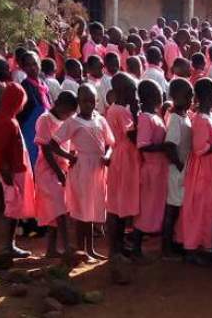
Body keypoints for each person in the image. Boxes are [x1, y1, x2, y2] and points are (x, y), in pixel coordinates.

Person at [53, 84, 114, 262]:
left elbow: (110, 142)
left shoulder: (100, 119)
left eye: (92, 101)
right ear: (79, 102)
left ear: (96, 101)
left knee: (93, 208)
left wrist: (107, 156)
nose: (89, 104)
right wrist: (69, 157)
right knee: (83, 211)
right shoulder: (73, 122)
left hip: (98, 168)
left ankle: (91, 249)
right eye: (85, 101)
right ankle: (82, 250)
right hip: (83, 169)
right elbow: (53, 143)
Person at [179, 78, 212, 266]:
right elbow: (200, 148)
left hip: (209, 169)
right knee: (198, 208)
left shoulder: (209, 115)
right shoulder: (200, 118)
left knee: (206, 209)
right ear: (204, 97)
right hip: (201, 170)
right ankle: (191, 249)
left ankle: (202, 245)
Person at [0, 82, 35, 257]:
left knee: (12, 207)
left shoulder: (0, 117)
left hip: (10, 169)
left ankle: (9, 245)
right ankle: (8, 246)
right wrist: (4, 171)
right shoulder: (8, 122)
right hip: (12, 170)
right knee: (13, 208)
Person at [34, 90, 78, 257]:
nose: (68, 115)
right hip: (48, 169)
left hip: (62, 167)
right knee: (59, 207)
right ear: (59, 104)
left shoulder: (64, 121)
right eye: (67, 111)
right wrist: (59, 170)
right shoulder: (45, 119)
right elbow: (46, 148)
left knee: (57, 208)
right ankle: (67, 247)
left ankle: (51, 249)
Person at [132, 79, 170, 256]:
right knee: (147, 208)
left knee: (155, 206)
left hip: (160, 169)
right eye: (158, 94)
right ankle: (136, 247)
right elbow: (143, 144)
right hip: (152, 169)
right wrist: (163, 147)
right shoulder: (146, 118)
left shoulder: (155, 115)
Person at [105, 73, 140, 258]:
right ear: (122, 91)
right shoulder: (123, 111)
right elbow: (134, 136)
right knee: (119, 204)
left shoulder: (112, 109)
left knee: (118, 203)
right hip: (125, 157)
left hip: (119, 155)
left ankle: (118, 246)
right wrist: (136, 112)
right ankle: (115, 248)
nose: (135, 96)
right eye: (132, 91)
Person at [161, 78, 193, 260]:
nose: (190, 99)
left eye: (191, 95)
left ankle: (174, 243)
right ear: (174, 97)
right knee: (172, 210)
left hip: (183, 171)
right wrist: (180, 166)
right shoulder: (175, 118)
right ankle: (166, 249)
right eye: (186, 95)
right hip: (177, 172)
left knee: (178, 209)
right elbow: (169, 146)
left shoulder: (185, 116)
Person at [17, 51, 51, 166]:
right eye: (28, 65)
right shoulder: (24, 87)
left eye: (35, 64)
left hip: (44, 130)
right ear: (23, 68)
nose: (32, 68)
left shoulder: (43, 85)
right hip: (31, 133)